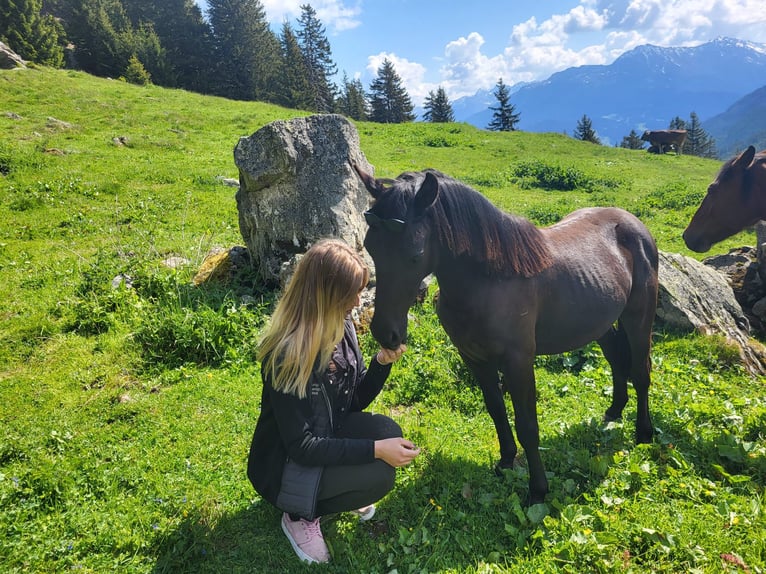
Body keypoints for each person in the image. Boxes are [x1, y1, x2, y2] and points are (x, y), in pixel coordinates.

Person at [247, 238, 420, 564]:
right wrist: (376, 450)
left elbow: (350, 403)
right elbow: (302, 447)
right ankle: (298, 516)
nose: (358, 302)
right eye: (352, 293)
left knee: (387, 428)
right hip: (284, 467)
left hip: (324, 434)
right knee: (380, 475)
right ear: (327, 294)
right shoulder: (288, 355)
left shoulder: (339, 324)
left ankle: (337, 490)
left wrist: (381, 364)